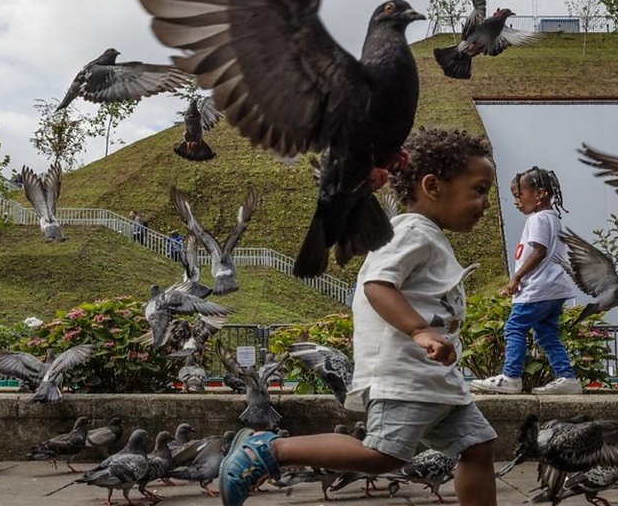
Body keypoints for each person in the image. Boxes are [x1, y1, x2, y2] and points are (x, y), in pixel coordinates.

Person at [216, 128, 499, 506]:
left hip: (436, 381)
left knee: (479, 447)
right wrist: (420, 331)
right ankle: (269, 451)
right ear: (433, 186)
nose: (485, 203)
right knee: (382, 456)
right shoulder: (412, 232)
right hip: (406, 377)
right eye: (479, 190)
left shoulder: (426, 235)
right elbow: (377, 285)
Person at [471, 166, 581, 395]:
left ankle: (511, 376)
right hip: (554, 289)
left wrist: (516, 278)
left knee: (514, 328)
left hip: (536, 289)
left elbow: (539, 251)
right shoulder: (553, 218)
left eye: (519, 195)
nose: (517, 201)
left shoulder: (538, 219)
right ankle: (567, 378)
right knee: (546, 334)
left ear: (539, 194)